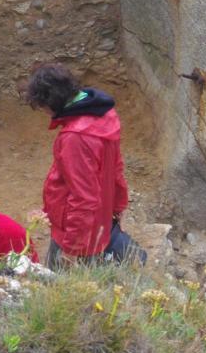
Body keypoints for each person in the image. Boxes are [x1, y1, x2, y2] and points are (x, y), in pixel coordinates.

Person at [23, 63, 130, 269]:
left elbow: (83, 198)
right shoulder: (104, 115)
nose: (43, 112)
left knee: (57, 289)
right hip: (99, 223)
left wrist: (71, 250)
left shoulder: (75, 137)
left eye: (41, 106)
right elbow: (116, 168)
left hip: (75, 236)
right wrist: (117, 206)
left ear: (50, 102)